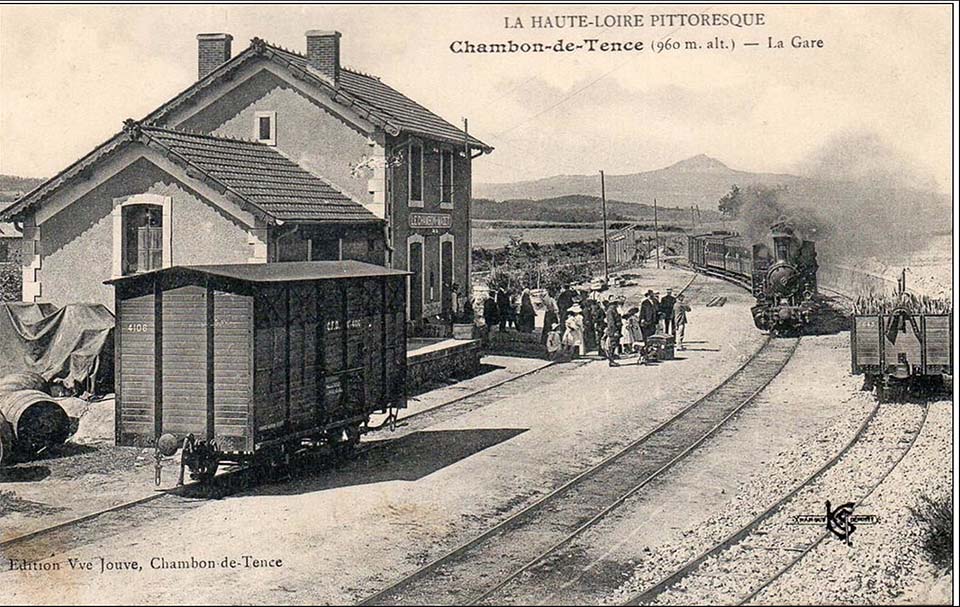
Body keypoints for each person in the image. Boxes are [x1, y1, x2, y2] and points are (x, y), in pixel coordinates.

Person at [604, 299, 622, 366]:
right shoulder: (610, 311)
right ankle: (611, 361)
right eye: (615, 303)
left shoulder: (613, 310)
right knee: (612, 345)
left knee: (614, 344)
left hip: (616, 329)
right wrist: (615, 331)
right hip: (613, 330)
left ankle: (612, 358)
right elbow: (611, 323)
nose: (616, 305)